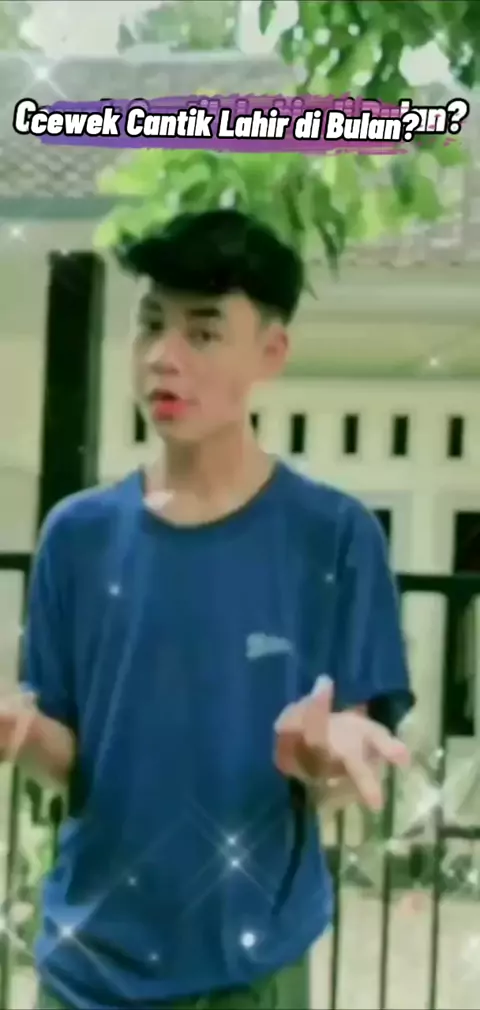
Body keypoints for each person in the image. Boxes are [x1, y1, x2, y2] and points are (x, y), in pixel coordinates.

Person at [0, 210, 414, 1010]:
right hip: (85, 969)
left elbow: (345, 765)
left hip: (247, 972)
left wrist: (324, 758)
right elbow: (72, 758)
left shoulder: (334, 537)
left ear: (271, 352)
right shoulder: (76, 536)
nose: (164, 355)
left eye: (202, 331)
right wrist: (15, 734)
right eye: (150, 323)